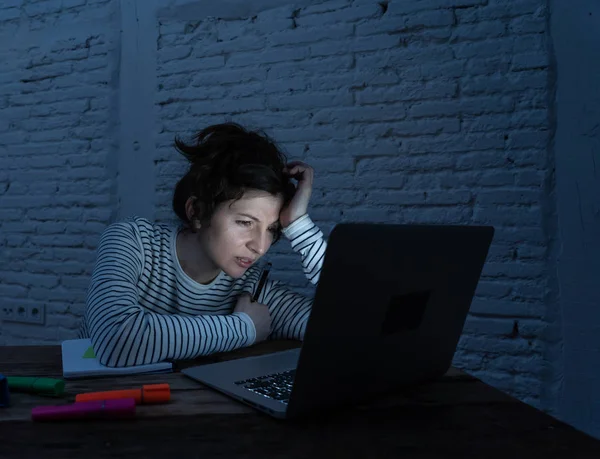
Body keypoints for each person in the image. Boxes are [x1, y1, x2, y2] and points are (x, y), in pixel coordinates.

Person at [78, 122, 327, 367]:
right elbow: (115, 340)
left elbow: (351, 328)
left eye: (271, 229)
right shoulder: (131, 242)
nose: (260, 246)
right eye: (244, 222)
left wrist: (300, 227)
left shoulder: (254, 291)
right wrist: (245, 328)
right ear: (197, 211)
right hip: (94, 403)